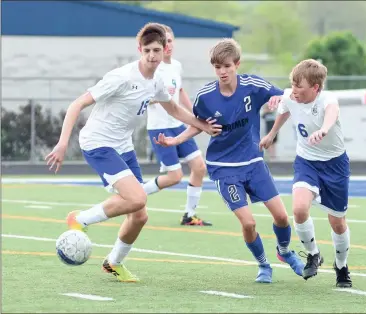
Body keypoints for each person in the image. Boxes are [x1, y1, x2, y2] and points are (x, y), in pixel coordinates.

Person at [45, 23, 221, 282]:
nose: (152, 55)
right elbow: (77, 104)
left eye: (157, 50)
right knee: (138, 198)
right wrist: (62, 143)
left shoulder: (158, 80)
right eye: (148, 50)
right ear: (139, 49)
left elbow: (173, 109)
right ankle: (79, 218)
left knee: (140, 214)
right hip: (98, 143)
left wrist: (202, 125)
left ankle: (114, 262)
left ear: (164, 51)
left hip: (123, 145)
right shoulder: (121, 77)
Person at [154, 38, 304, 283]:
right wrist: (175, 141)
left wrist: (279, 99)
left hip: (253, 163)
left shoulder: (253, 85)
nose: (222, 72)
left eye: (226, 66)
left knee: (282, 217)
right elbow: (198, 124)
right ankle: (264, 265)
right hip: (224, 169)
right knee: (249, 223)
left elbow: (286, 95)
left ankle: (285, 252)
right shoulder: (205, 96)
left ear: (237, 64)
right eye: (217, 67)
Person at [259, 59, 352, 288]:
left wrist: (324, 129)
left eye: (300, 86)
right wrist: (271, 134)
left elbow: (331, 113)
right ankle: (313, 254)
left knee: (337, 222)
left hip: (335, 165)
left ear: (315, 88)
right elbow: (284, 111)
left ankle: (341, 266)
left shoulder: (327, 99)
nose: (295, 90)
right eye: (293, 84)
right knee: (299, 209)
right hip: (306, 162)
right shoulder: (291, 96)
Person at [143, 24, 211, 226]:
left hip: (178, 125)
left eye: (170, 40)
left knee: (199, 167)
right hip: (159, 128)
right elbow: (144, 96)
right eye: (164, 41)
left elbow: (180, 92)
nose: (168, 45)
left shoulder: (176, 66)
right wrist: (153, 99)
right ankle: (134, 195)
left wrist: (196, 116)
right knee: (174, 177)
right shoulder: (152, 68)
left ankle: (189, 215)